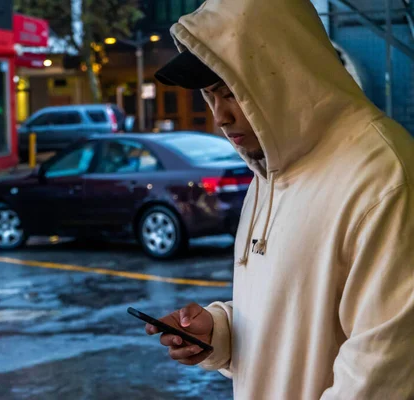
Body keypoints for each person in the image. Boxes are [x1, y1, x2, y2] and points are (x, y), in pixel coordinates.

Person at [144, 0, 414, 399]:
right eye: (210, 94)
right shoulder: (271, 170)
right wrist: (218, 333)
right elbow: (294, 316)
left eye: (232, 92)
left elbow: (381, 373)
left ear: (288, 74)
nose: (220, 115)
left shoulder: (383, 176)